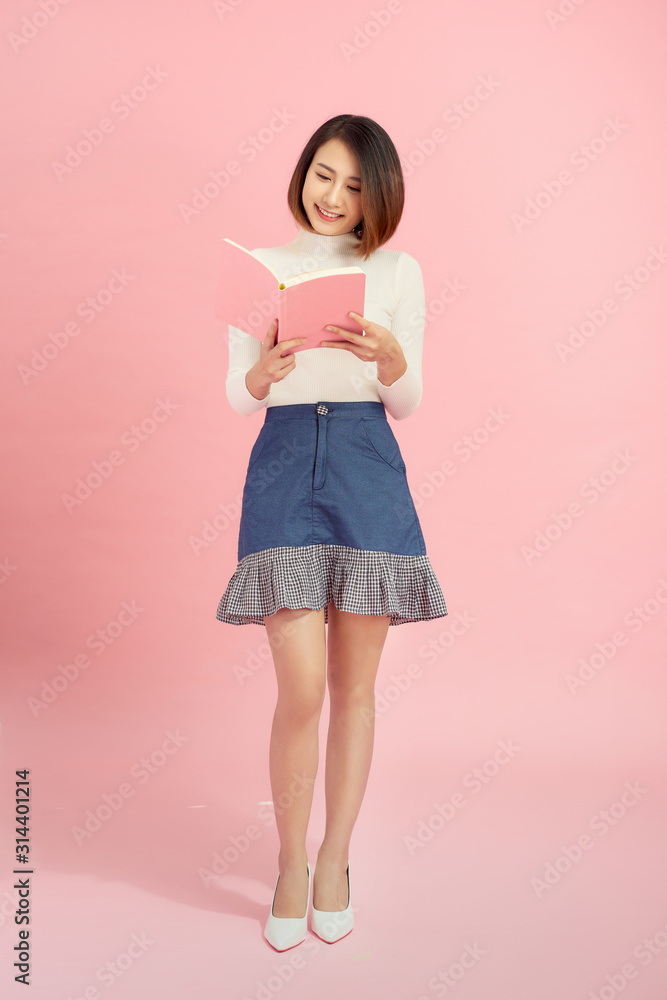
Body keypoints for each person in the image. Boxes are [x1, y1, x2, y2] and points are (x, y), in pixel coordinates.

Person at [215, 114, 448, 950]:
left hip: (364, 464)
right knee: (302, 687)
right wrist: (261, 369)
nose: (334, 196)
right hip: (283, 467)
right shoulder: (263, 269)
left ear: (376, 195)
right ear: (302, 171)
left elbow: (409, 401)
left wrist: (388, 356)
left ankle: (336, 858)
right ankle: (288, 861)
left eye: (354, 185)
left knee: (355, 687)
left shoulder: (397, 271)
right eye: (323, 173)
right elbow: (238, 396)